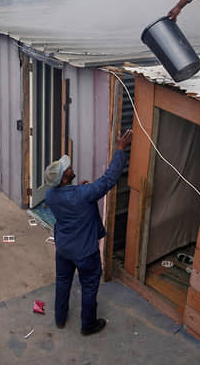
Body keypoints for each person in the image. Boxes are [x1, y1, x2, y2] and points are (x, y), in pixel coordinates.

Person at [44, 129, 133, 336]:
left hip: (64, 249)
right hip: (85, 252)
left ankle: (60, 318)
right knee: (89, 287)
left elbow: (72, 198)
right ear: (65, 178)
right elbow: (109, 180)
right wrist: (120, 150)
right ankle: (88, 325)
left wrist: (81, 190)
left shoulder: (50, 195)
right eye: (68, 169)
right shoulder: (82, 195)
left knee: (63, 282)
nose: (70, 168)